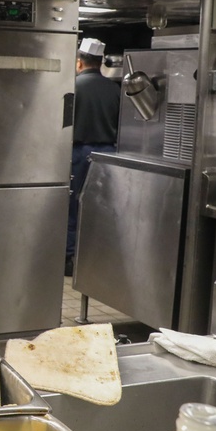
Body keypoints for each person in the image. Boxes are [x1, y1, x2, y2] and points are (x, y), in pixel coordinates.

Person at [67, 37, 120, 277]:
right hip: (108, 154)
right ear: (100, 63)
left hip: (78, 153)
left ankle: (70, 257)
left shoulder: (73, 86)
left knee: (72, 206)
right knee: (100, 207)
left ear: (79, 62)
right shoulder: (115, 88)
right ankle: (96, 256)